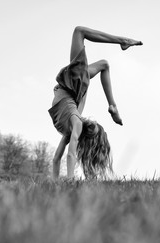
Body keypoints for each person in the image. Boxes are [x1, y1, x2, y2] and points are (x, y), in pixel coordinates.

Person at [48, 26, 142, 179]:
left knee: (80, 32)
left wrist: (65, 180)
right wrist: (56, 181)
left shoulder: (76, 125)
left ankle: (123, 41)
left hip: (72, 86)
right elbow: (58, 158)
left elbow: (67, 156)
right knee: (103, 65)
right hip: (73, 90)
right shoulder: (72, 129)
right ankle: (112, 105)